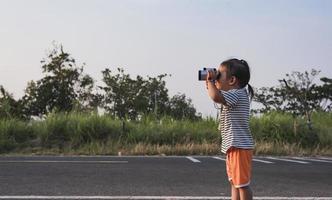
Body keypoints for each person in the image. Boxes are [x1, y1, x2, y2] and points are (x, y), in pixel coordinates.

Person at [206, 58, 254, 200]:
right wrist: (212, 84)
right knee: (234, 183)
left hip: (239, 146)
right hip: (233, 146)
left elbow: (215, 96)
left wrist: (210, 82)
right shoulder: (235, 95)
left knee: (242, 184)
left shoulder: (237, 94)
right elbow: (216, 95)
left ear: (232, 80)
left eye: (219, 75)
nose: (216, 77)